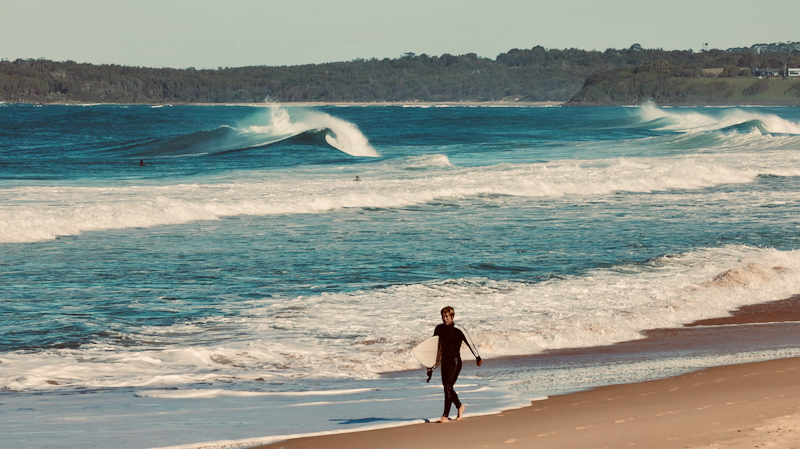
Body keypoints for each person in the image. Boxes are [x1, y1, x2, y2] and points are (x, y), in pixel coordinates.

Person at [428, 306, 482, 423]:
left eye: (447, 316)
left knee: (448, 386)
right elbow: (434, 348)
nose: (445, 319)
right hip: (444, 362)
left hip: (455, 362)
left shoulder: (458, 329)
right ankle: (460, 406)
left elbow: (470, 343)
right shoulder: (439, 329)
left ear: (452, 317)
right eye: (443, 316)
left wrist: (477, 357)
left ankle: (445, 416)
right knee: (447, 388)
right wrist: (430, 364)